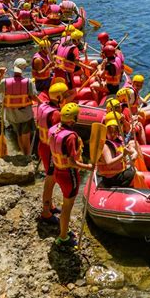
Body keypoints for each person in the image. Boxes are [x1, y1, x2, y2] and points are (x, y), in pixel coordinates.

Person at [48, 102, 92, 248]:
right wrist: (88, 166)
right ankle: (63, 237)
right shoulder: (71, 137)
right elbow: (72, 162)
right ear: (73, 118)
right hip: (69, 175)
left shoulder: (54, 129)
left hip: (57, 171)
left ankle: (63, 229)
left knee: (66, 202)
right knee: (68, 206)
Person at [36, 82, 68, 223]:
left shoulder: (44, 105)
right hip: (49, 150)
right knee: (50, 180)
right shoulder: (56, 114)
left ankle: (50, 204)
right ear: (59, 97)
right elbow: (58, 136)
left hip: (43, 146)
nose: (67, 97)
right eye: (65, 95)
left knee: (51, 178)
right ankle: (46, 212)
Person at [0, 58, 37, 155]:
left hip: (12, 116)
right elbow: (34, 97)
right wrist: (42, 103)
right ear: (24, 69)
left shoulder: (4, 82)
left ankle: (23, 154)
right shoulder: (28, 82)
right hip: (26, 115)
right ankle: (27, 157)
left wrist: (0, 76)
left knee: (18, 135)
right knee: (26, 138)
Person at [97, 117, 138, 188]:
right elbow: (109, 164)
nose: (112, 134)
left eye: (115, 132)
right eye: (110, 132)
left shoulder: (119, 141)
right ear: (106, 132)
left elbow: (131, 149)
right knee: (133, 174)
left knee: (134, 171)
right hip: (110, 178)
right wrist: (123, 155)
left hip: (119, 174)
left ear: (118, 132)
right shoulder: (105, 146)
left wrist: (135, 153)